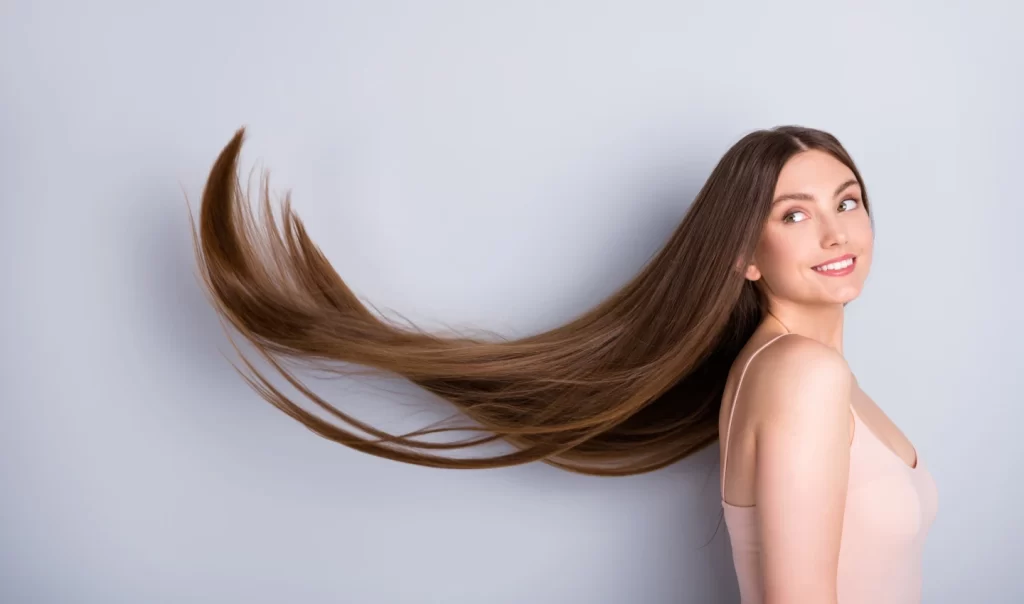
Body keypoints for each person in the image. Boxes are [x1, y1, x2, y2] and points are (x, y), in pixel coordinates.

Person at [189, 125, 937, 602]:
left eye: (848, 201)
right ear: (744, 254)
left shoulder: (787, 369)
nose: (837, 233)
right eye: (794, 214)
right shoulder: (804, 375)